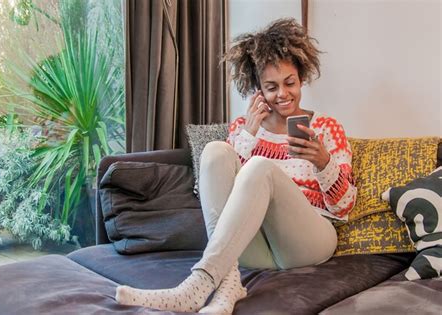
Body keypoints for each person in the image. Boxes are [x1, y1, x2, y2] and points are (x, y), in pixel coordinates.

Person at [115, 18, 357, 314]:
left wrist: (323, 162)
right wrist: (249, 133)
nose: (282, 94)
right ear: (257, 90)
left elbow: (344, 207)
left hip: (309, 242)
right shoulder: (245, 129)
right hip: (257, 249)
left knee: (260, 168)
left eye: (289, 83)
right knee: (216, 151)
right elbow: (226, 199)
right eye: (271, 87)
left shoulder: (327, 128)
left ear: (301, 77)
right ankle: (228, 286)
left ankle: (197, 285)